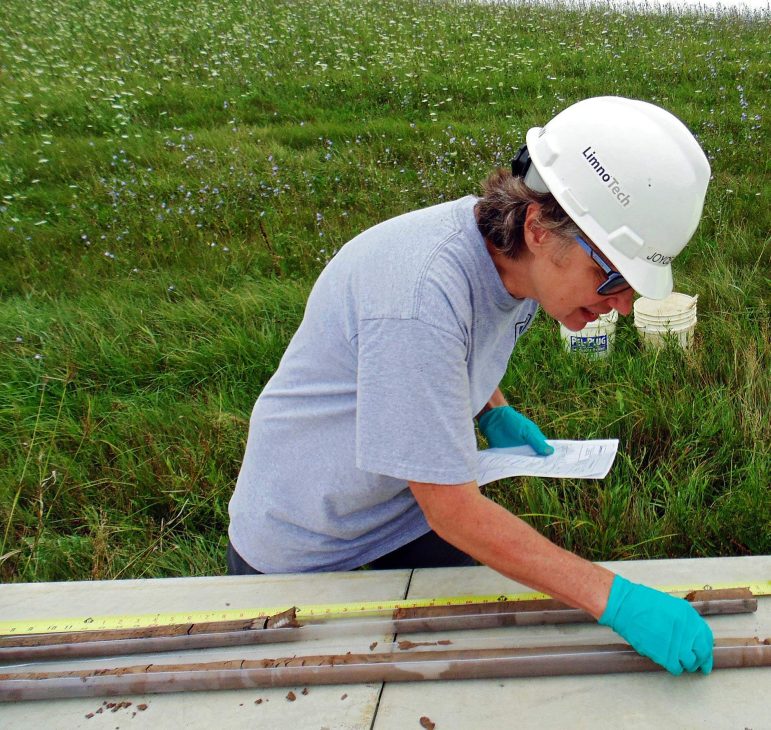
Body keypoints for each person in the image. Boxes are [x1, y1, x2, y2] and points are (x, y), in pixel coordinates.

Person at [228, 97, 714, 676]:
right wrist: (617, 599)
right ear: (539, 228)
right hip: (311, 546)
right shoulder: (418, 299)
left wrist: (491, 409)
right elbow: (454, 511)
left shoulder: (510, 258)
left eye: (631, 285)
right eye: (610, 276)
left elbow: (460, 347)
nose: (622, 306)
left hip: (394, 512)